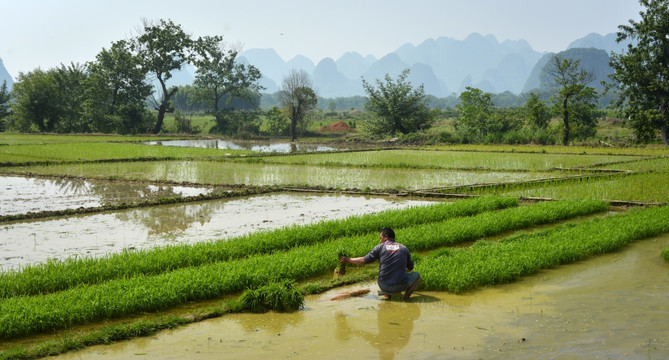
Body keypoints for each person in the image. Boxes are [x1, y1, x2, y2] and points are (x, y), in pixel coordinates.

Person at [340, 227, 421, 301]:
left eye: (380, 238)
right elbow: (410, 267)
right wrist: (401, 272)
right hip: (399, 286)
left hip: (383, 285)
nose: (380, 240)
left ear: (386, 236)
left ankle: (387, 295)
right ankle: (406, 298)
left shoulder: (379, 248)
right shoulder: (403, 248)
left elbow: (364, 260)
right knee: (417, 276)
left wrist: (348, 259)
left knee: (384, 274)